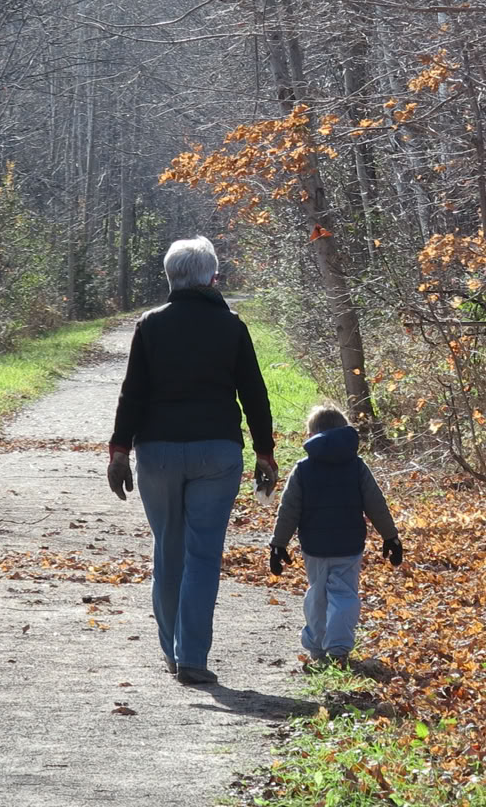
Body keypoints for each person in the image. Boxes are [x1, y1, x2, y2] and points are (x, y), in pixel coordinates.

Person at [107, 235, 278, 686]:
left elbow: (132, 394)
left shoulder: (150, 325)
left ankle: (169, 650)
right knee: (202, 556)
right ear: (211, 277)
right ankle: (192, 657)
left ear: (170, 277)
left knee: (169, 550)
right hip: (217, 453)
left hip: (158, 451)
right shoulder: (232, 326)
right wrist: (265, 452)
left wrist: (119, 451)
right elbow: (254, 394)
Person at [268, 404, 402, 666]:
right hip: (349, 545)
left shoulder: (303, 469)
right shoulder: (357, 467)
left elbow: (289, 509)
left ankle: (317, 647)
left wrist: (278, 543)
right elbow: (376, 503)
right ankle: (339, 647)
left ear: (311, 435)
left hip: (314, 546)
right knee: (344, 594)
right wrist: (390, 536)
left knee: (317, 594)